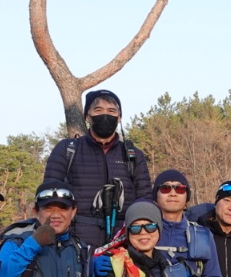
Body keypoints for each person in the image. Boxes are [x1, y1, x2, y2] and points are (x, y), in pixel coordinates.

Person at [43, 89, 153, 248]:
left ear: (119, 118)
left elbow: (145, 201)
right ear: (87, 116)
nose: (105, 115)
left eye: (111, 111)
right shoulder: (67, 150)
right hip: (75, 242)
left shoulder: (133, 155)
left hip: (124, 242)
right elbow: (49, 197)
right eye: (98, 110)